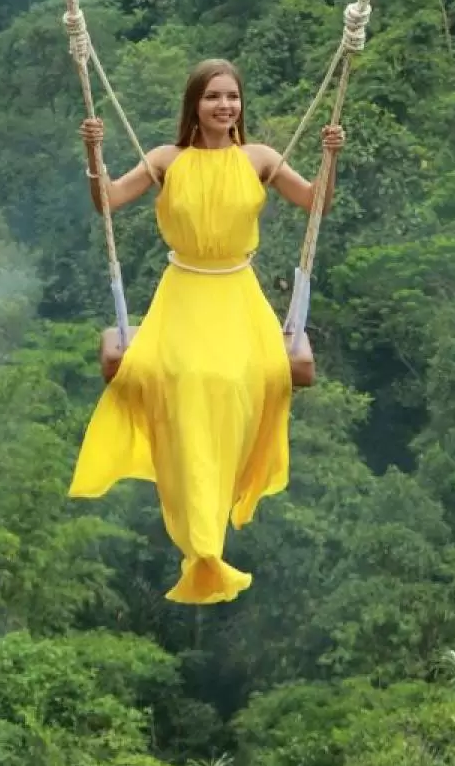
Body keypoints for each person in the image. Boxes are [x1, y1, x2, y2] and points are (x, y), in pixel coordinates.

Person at [68, 58, 345, 605]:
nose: (225, 106)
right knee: (182, 378)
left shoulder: (261, 158)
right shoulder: (167, 160)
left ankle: (229, 488)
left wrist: (331, 159)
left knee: (257, 377)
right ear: (194, 103)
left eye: (233, 98)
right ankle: (200, 534)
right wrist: (93, 153)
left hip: (237, 291)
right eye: (214, 97)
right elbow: (109, 201)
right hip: (185, 290)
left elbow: (317, 202)